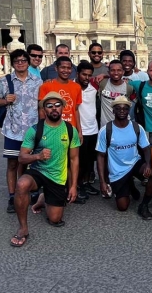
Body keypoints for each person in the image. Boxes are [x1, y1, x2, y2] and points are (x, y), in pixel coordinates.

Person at [9, 92, 80, 247]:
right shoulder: (35, 130)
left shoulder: (70, 130)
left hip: (58, 177)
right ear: (44, 110)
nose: (54, 109)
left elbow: (74, 159)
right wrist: (37, 157)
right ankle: (23, 229)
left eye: (57, 105)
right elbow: (21, 158)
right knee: (21, 184)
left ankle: (42, 199)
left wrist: (73, 186)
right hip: (38, 172)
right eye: (49, 106)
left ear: (63, 108)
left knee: (55, 219)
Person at [0, 48, 42, 213]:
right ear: (12, 63)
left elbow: (40, 104)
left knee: (29, 162)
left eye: (23, 60)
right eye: (17, 61)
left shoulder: (37, 81)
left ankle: (27, 191)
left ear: (28, 62)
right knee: (12, 163)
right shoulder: (5, 81)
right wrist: (5, 100)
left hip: (32, 129)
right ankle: (13, 195)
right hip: (13, 129)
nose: (20, 63)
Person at [97, 96, 152, 219]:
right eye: (118, 108)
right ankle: (129, 183)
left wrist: (148, 164)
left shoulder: (136, 127)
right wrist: (103, 182)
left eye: (125, 108)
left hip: (134, 162)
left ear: (128, 111)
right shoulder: (106, 130)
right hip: (117, 171)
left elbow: (146, 148)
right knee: (122, 207)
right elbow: (100, 156)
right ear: (113, 111)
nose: (121, 111)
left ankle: (144, 205)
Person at [38, 56, 83, 141]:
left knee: (72, 154)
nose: (66, 71)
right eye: (63, 67)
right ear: (56, 68)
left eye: (69, 68)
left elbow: (76, 110)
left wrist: (79, 131)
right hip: (51, 130)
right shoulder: (46, 86)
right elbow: (41, 110)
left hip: (71, 130)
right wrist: (43, 130)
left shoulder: (77, 87)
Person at [75, 61, 101, 199]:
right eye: (84, 74)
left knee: (90, 160)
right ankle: (77, 185)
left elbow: (111, 77)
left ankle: (85, 183)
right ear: (78, 74)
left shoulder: (94, 87)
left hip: (93, 129)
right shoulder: (72, 87)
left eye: (89, 75)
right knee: (79, 160)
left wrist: (104, 74)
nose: (86, 77)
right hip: (79, 130)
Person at [95, 59, 135, 129]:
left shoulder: (129, 88)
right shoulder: (102, 83)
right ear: (108, 72)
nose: (116, 73)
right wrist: (105, 76)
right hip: (106, 127)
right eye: (112, 70)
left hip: (123, 127)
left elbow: (135, 103)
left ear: (123, 72)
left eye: (119, 70)